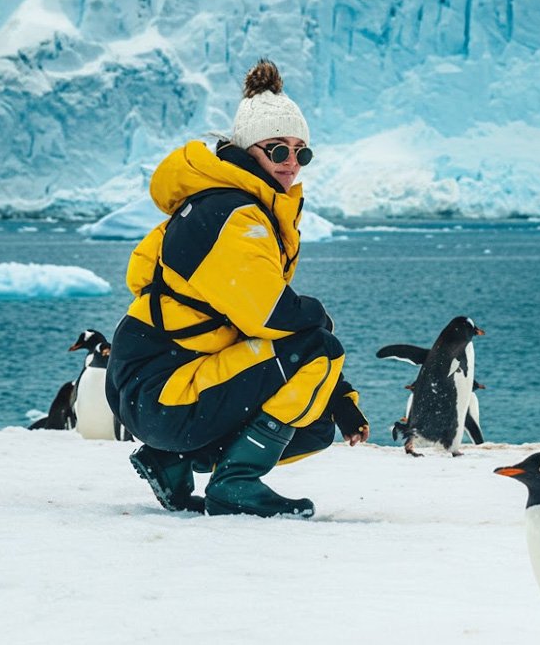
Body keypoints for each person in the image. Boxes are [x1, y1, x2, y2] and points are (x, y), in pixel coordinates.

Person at [106, 59, 369, 517]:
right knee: (318, 350)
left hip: (156, 388)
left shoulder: (231, 205)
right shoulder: (232, 214)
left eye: (301, 152)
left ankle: (170, 459)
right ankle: (235, 484)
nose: (292, 164)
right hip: (164, 393)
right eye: (278, 150)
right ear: (249, 151)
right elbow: (270, 317)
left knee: (316, 423)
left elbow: (276, 328)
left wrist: (340, 397)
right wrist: (319, 317)